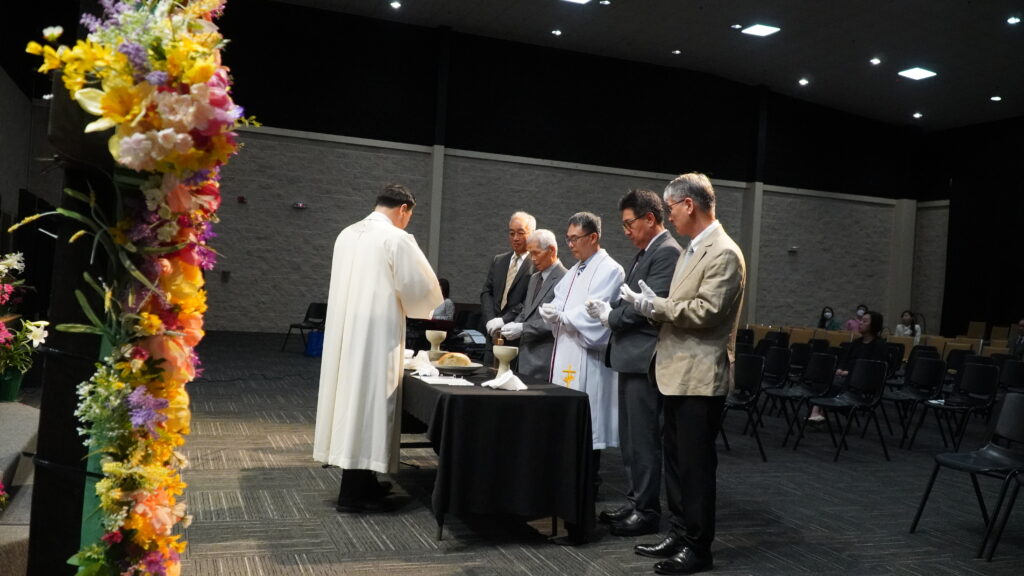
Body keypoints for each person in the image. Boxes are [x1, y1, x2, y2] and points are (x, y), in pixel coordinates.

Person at [624, 173, 745, 575]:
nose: (669, 215)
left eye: (671, 207)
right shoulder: (693, 249)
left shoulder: (724, 252)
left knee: (695, 467)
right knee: (676, 462)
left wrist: (654, 307)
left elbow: (707, 312)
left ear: (689, 204)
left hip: (699, 376)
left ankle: (698, 546)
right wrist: (652, 306)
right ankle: (679, 532)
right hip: (676, 372)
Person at [313, 184, 442, 511]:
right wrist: (427, 308)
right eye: (409, 216)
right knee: (369, 407)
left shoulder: (346, 234)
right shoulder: (396, 238)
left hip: (346, 335)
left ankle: (365, 481)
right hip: (375, 339)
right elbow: (420, 290)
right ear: (404, 209)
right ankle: (353, 494)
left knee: (350, 404)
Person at [585, 189, 681, 538]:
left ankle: (647, 511)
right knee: (630, 438)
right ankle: (636, 500)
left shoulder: (667, 251)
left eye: (629, 224)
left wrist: (611, 317)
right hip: (630, 357)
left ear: (650, 219)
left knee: (642, 439)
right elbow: (631, 303)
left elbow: (646, 308)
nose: (626, 231)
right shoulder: (646, 252)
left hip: (644, 358)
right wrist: (613, 310)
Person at [541, 212, 624, 491]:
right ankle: (564, 481)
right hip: (567, 349)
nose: (570, 245)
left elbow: (596, 312)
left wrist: (564, 317)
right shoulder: (575, 270)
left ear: (593, 237)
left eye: (575, 239)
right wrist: (552, 312)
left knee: (588, 425)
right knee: (566, 424)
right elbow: (560, 300)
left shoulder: (610, 269)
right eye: (568, 238)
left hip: (588, 357)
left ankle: (588, 484)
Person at [499, 229, 567, 381]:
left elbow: (555, 321)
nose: (533, 258)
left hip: (545, 358)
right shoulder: (534, 278)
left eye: (536, 253)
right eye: (530, 253)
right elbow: (527, 310)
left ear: (551, 250)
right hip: (524, 355)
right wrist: (512, 325)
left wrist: (522, 328)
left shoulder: (566, 278)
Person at [808, 309, 888, 423]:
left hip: (863, 380)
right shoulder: (856, 342)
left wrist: (850, 373)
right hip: (845, 375)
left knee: (833, 382)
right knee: (823, 377)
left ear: (874, 325)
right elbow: (844, 360)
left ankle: (816, 413)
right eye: (861, 320)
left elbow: (874, 369)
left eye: (865, 321)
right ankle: (818, 414)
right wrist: (840, 369)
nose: (860, 323)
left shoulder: (879, 345)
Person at [480, 212, 536, 340]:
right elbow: (487, 292)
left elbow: (529, 300)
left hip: (516, 334)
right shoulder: (499, 260)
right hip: (492, 332)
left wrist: (503, 320)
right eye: (511, 233)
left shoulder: (536, 264)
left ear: (532, 234)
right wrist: (490, 320)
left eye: (520, 233)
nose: (515, 238)